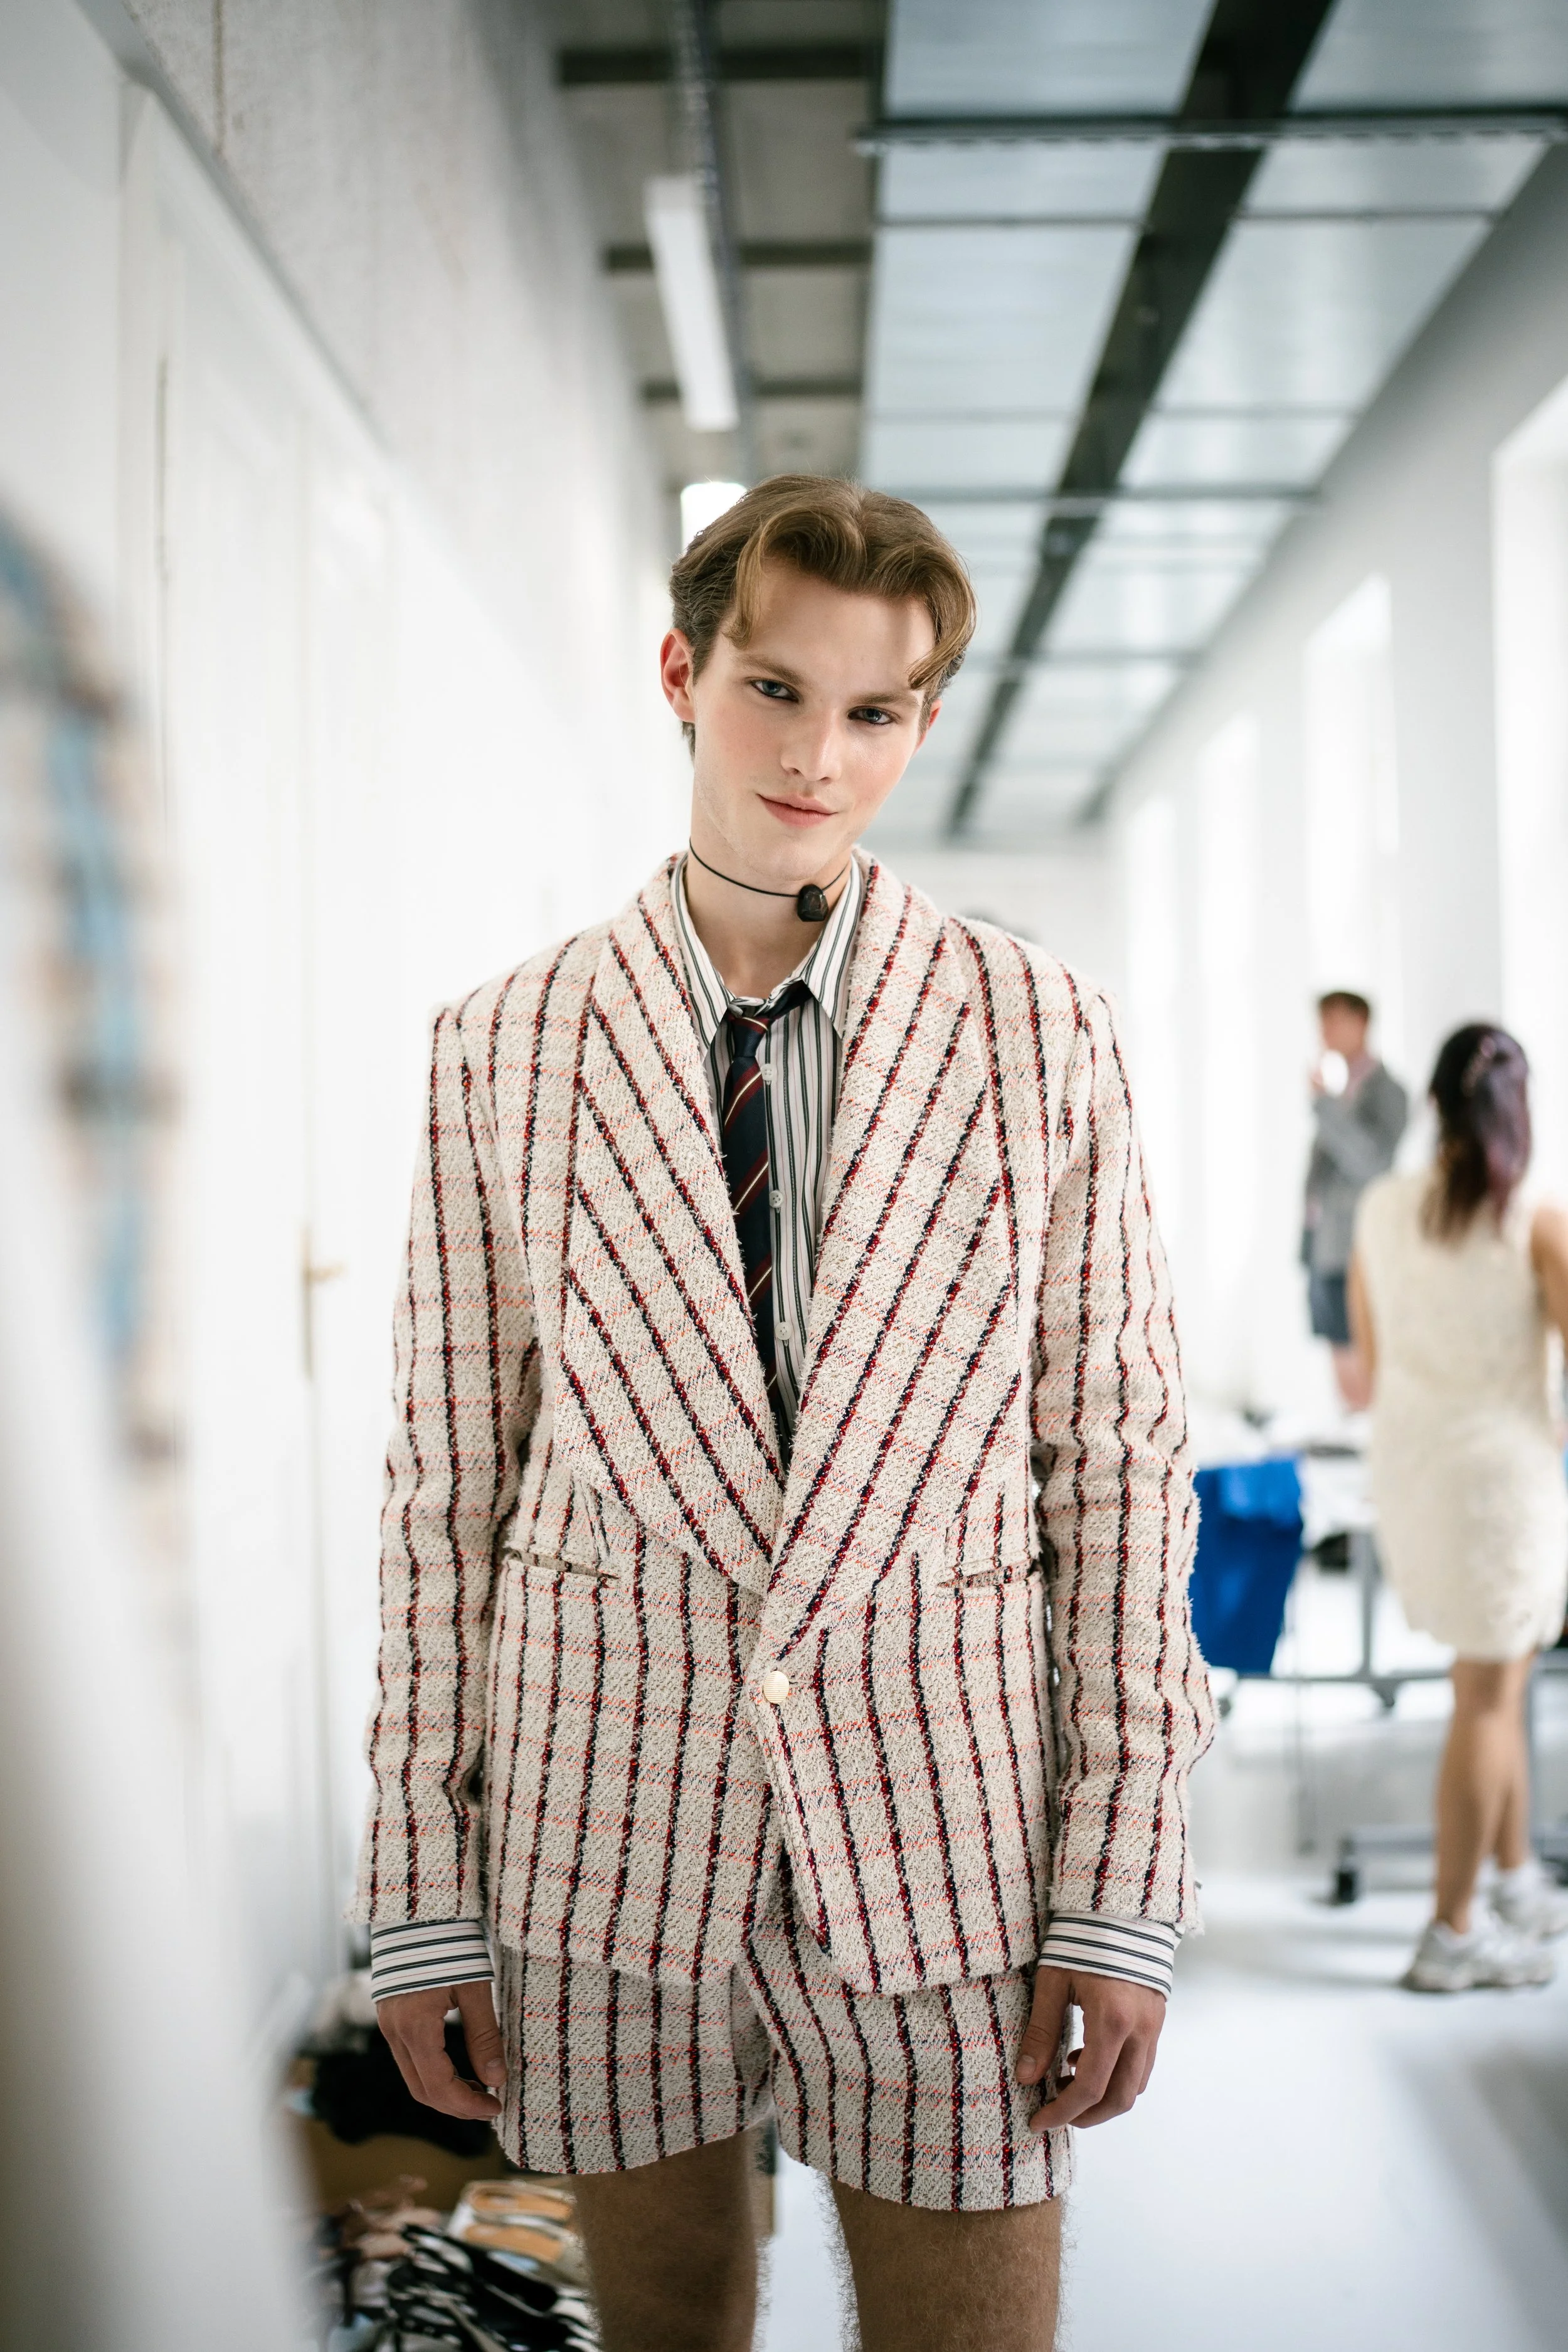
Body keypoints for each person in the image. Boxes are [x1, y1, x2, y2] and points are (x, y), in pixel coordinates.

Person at [352, 477, 1212, 2351]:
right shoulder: (496, 1045)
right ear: (681, 671)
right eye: (771, 688)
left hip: (944, 1827)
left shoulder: (1031, 1026)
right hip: (603, 1826)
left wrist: (1121, 1878)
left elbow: (1122, 1472)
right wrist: (423, 1890)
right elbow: (443, 1493)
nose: (815, 755)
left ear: (919, 719)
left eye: (874, 710)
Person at [1348, 1024, 1568, 1993]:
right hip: (1502, 1482)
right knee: (1487, 1694)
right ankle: (1451, 1931)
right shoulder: (1532, 1217)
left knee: (1493, 1680)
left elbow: (1369, 1356)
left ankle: (1516, 1877)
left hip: (1413, 1467)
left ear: (1434, 1103)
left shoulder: (1381, 1207)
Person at [1303, 990, 1407, 1409]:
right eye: (1322, 1021)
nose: (1325, 1031)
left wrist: (1325, 1105)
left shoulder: (1388, 1091)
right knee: (1339, 1363)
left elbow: (1371, 1162)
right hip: (1325, 1246)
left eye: (1334, 1020)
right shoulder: (1343, 1089)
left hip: (1357, 1247)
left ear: (1361, 1023)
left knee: (1361, 1368)